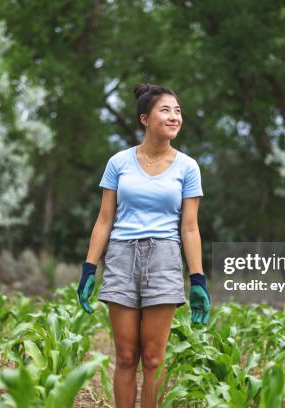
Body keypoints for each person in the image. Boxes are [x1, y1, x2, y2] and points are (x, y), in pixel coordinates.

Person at [76, 83, 211, 408]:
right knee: (125, 356)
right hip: (122, 258)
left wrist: (198, 278)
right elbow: (105, 219)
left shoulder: (187, 167)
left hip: (164, 259)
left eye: (178, 111)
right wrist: (89, 267)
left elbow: (190, 227)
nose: (174, 116)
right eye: (166, 110)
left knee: (152, 358)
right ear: (145, 119)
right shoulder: (119, 163)